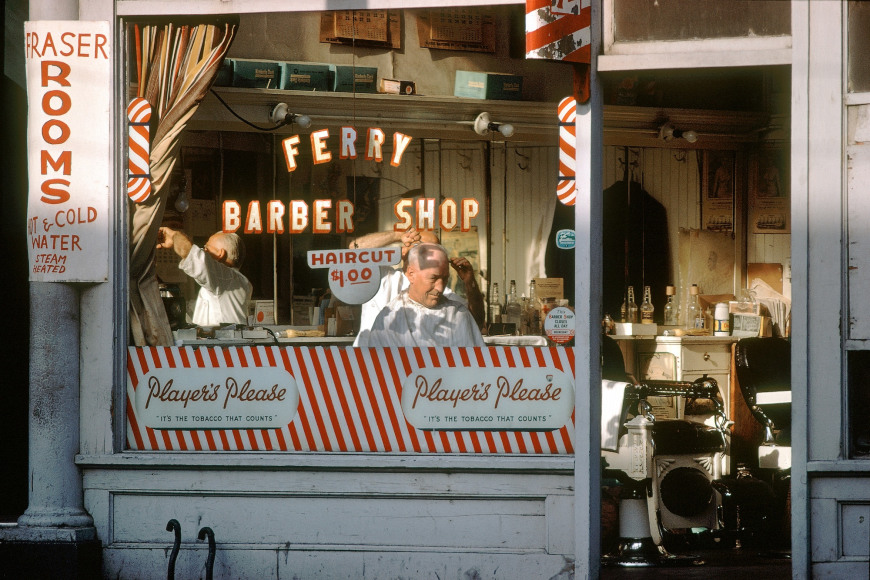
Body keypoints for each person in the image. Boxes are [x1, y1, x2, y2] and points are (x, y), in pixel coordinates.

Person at [349, 227, 485, 331]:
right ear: (405, 251)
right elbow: (354, 249)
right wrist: (398, 235)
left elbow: (475, 321)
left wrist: (469, 282)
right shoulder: (382, 277)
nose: (432, 256)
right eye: (425, 249)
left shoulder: (439, 291)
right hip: (371, 361)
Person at [157, 226, 253, 326]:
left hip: (222, 340)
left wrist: (174, 236)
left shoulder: (226, 277)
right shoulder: (228, 282)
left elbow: (192, 254)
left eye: (206, 249)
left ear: (220, 254)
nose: (203, 251)